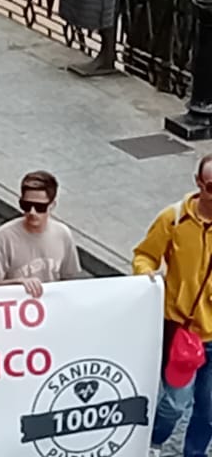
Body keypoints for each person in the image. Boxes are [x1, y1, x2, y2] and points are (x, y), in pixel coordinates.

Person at [136, 155, 212, 456]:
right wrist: (148, 277)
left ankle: (193, 454)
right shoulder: (175, 219)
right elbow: (144, 255)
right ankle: (153, 441)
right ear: (198, 184)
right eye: (211, 187)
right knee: (175, 403)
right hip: (183, 329)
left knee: (208, 411)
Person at [0, 169, 82, 296]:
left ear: (52, 205)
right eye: (26, 205)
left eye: (40, 207)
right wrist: (18, 284)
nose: (32, 212)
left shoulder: (63, 234)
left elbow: (71, 281)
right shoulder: (4, 236)